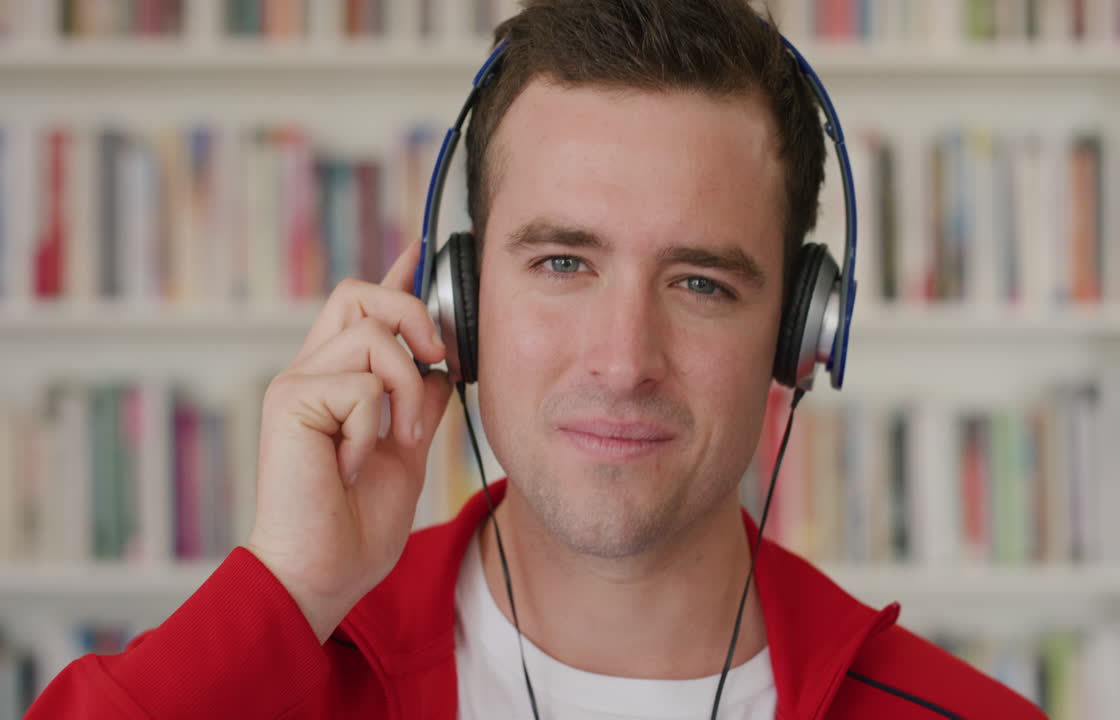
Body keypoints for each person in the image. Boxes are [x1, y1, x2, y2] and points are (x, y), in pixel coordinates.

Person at [28, 1, 1049, 718]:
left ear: (799, 336)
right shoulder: (285, 681)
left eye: (700, 282)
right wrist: (287, 590)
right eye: (562, 262)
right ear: (454, 303)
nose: (622, 359)